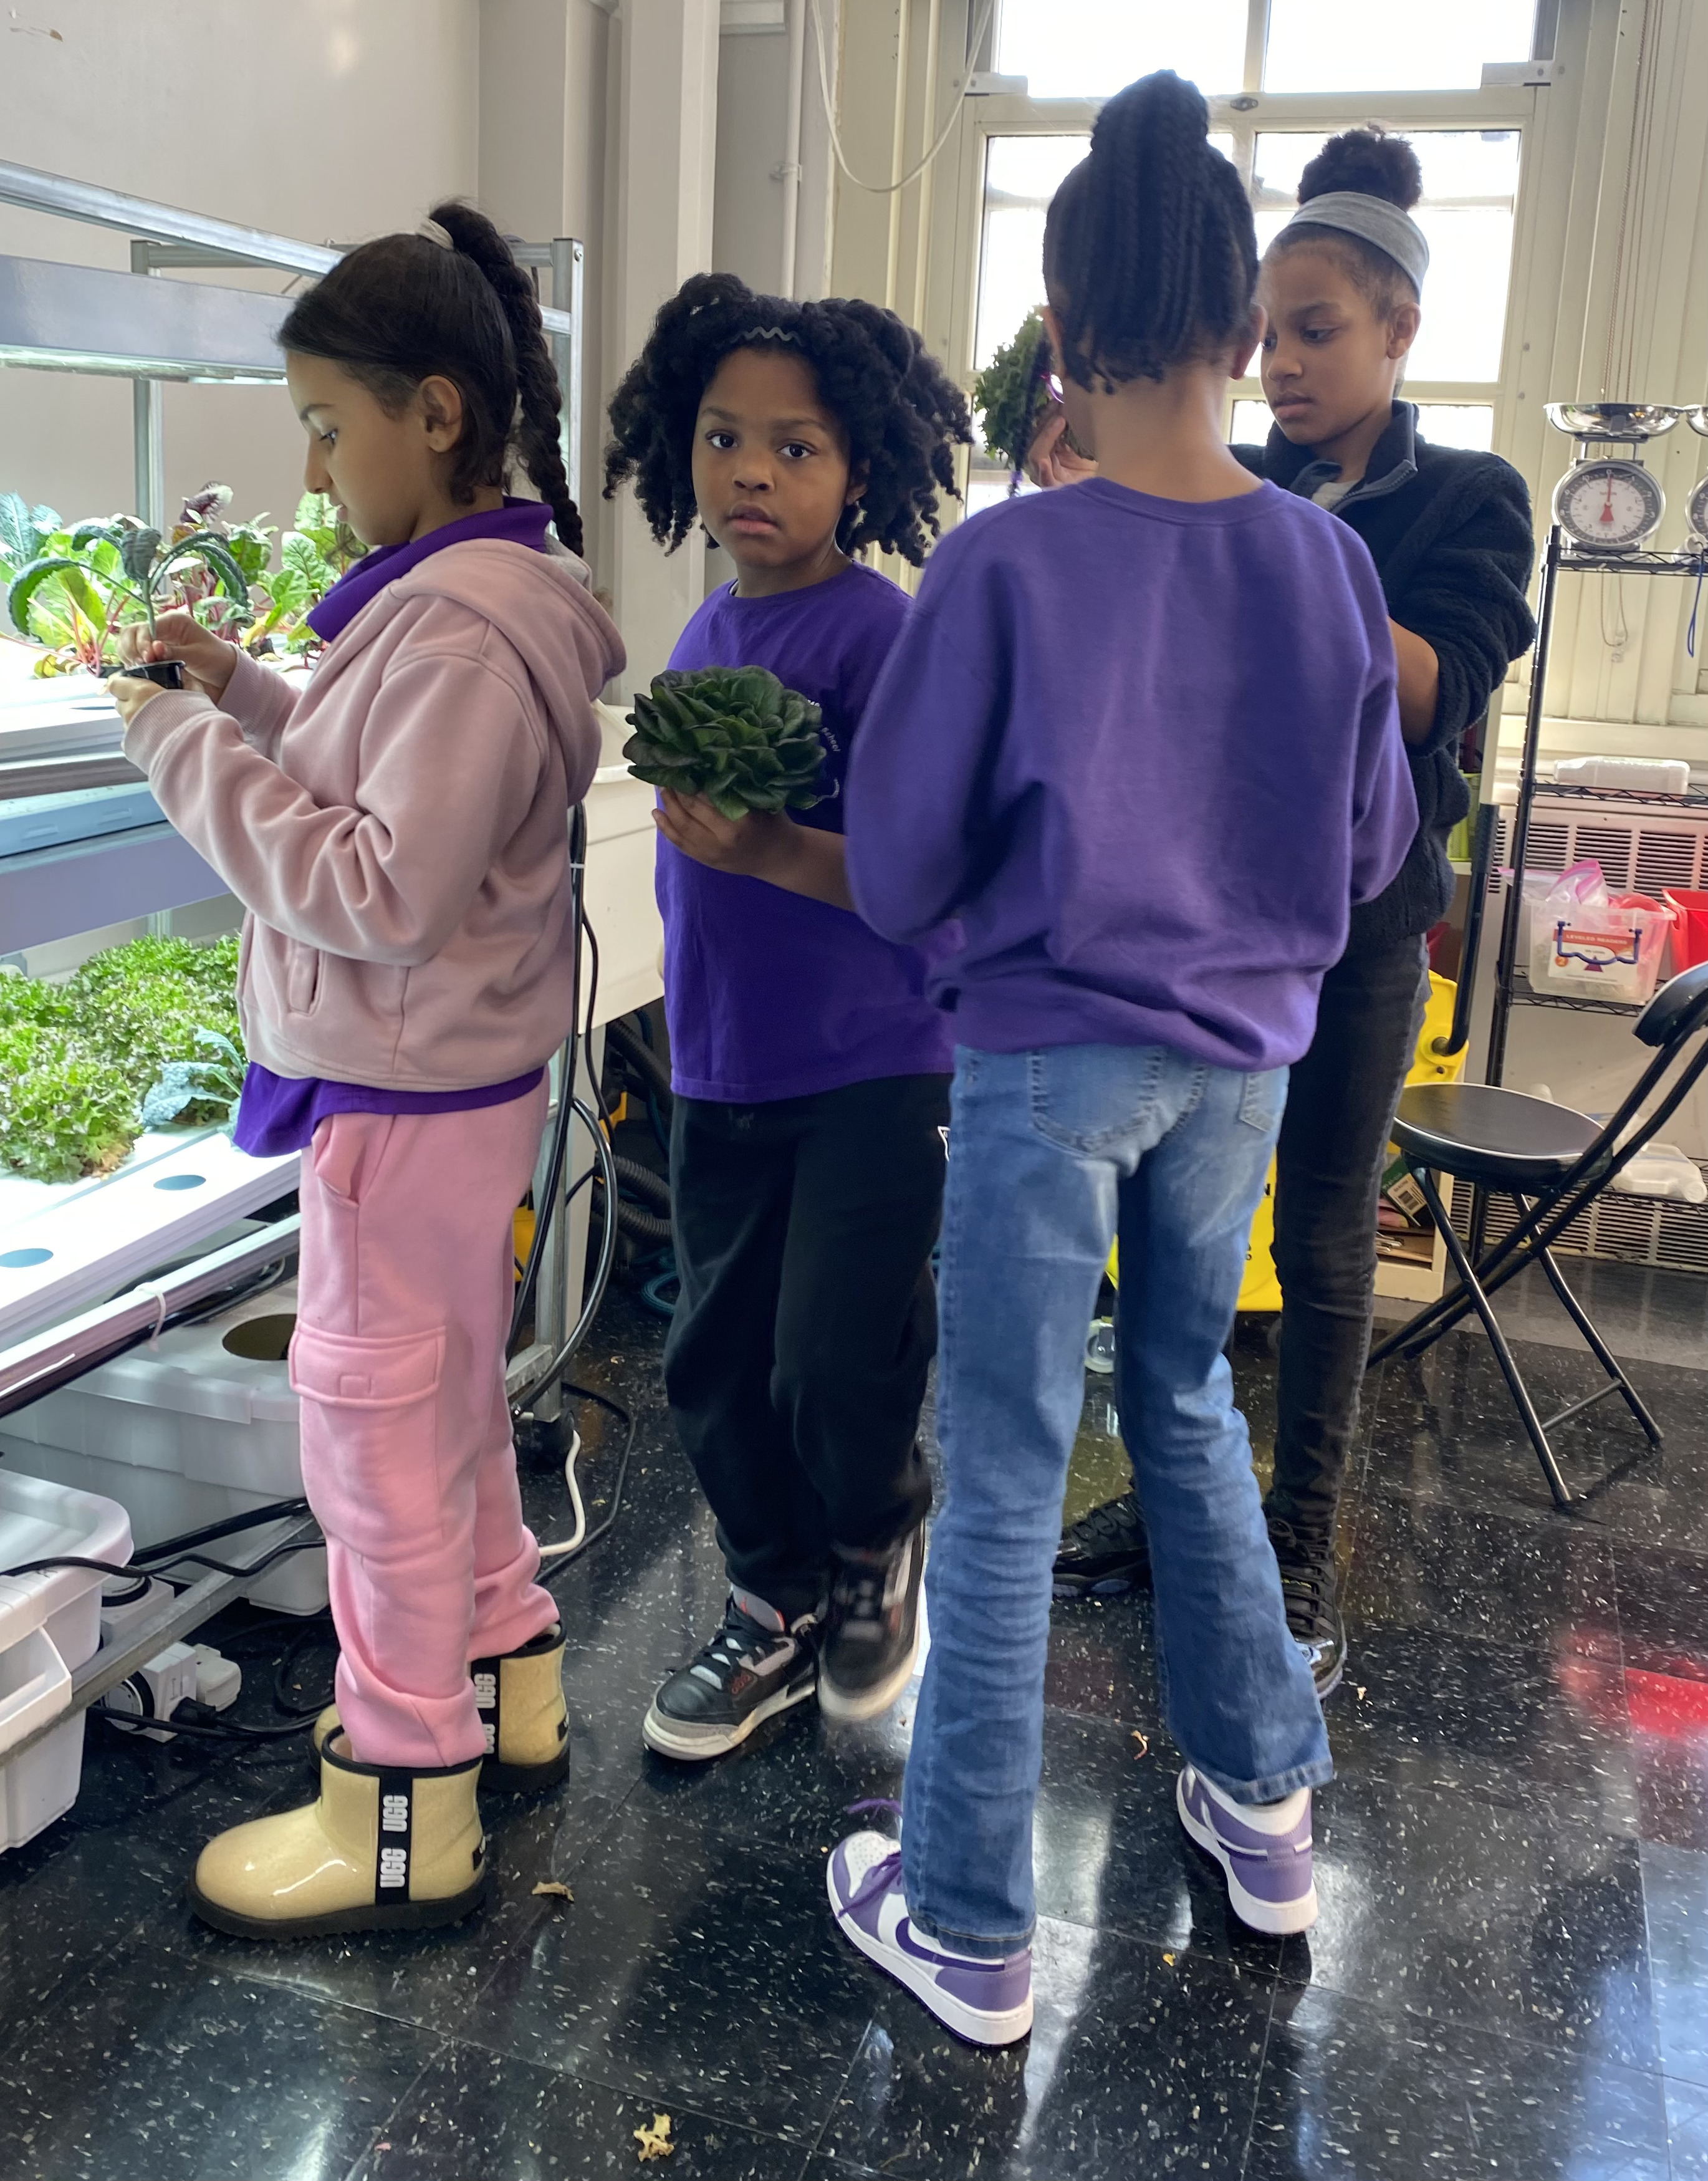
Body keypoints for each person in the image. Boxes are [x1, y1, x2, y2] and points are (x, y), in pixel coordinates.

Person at [823, 70, 1419, 2047]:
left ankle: (975, 1923)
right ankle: (1263, 1809)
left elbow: (902, 861)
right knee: (1179, 1404)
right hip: (1238, 1066)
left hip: (1041, 1058)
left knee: (996, 1475)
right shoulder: (1331, 569)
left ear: (1060, 334)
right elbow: (1365, 857)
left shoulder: (1005, 565)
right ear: (1247, 337)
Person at [107, 205, 624, 1938]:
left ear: (437, 411)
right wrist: (243, 689)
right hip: (442, 1090)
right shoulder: (477, 599)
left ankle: (401, 1810)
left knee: (374, 1442)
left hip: (402, 1097)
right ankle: (500, 1687)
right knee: (450, 1413)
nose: (316, 466)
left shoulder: (462, 625)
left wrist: (182, 749)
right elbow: (379, 779)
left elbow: (378, 888)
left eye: (331, 426)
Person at [1054, 128, 1537, 1693]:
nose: (1279, 367)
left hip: (1361, 921)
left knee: (1323, 1239)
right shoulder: (1238, 476)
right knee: (1164, 1226)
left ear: (1398, 327)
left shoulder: (1466, 495)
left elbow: (1426, 691)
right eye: (1262, 336)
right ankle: (1167, 1495)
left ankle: (1301, 1543)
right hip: (1194, 914)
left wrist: (1269, 541)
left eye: (1317, 331)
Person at [603, 274, 970, 1760]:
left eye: (796, 448)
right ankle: (772, 1604)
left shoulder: (882, 640)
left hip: (876, 1064)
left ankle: (878, 1541)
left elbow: (926, 890)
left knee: (832, 1355)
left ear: (859, 471)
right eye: (722, 438)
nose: (751, 471)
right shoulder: (701, 637)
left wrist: (765, 850)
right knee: (712, 1358)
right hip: (721, 1060)